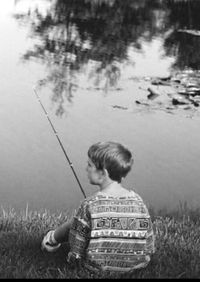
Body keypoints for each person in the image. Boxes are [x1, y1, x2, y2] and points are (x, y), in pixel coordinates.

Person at [41, 141, 155, 276]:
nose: (86, 168)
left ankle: (51, 241)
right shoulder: (138, 201)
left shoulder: (89, 204)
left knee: (76, 223)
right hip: (137, 267)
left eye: (89, 165)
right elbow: (149, 246)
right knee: (83, 221)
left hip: (95, 270)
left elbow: (76, 253)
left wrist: (73, 260)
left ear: (103, 173)